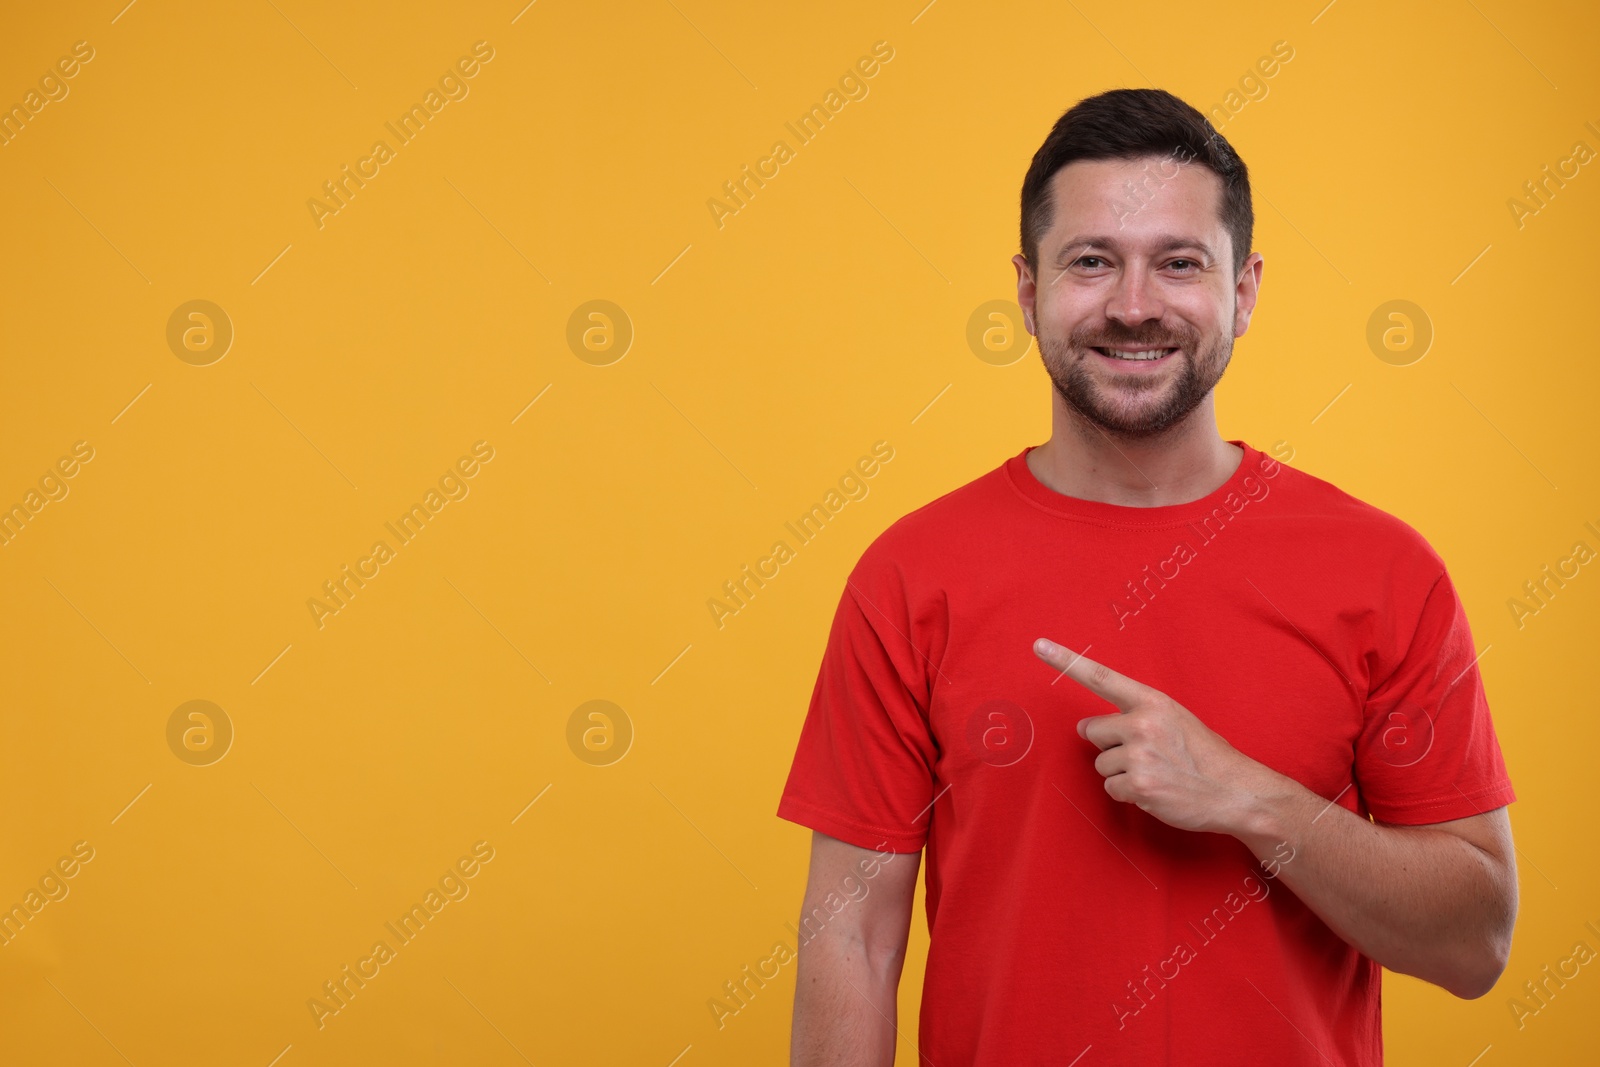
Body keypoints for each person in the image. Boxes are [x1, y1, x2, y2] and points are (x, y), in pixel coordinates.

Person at [775, 87, 1517, 1066]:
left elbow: (1474, 941)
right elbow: (851, 937)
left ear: (1243, 290)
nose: (1133, 305)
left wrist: (1255, 799)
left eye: (1178, 263)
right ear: (1028, 289)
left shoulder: (1383, 571)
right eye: (1091, 262)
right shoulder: (910, 574)